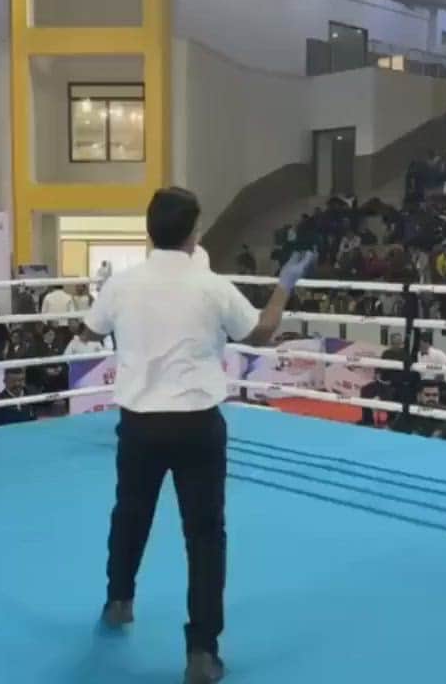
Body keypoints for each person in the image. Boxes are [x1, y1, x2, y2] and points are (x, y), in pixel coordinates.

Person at [80, 187, 314, 683]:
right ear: (193, 232)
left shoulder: (123, 285)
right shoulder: (212, 285)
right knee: (205, 537)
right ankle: (202, 652)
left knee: (130, 514)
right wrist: (285, 285)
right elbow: (262, 332)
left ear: (150, 230)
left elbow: (89, 329)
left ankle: (119, 600)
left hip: (140, 423)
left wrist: (100, 292)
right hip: (197, 423)